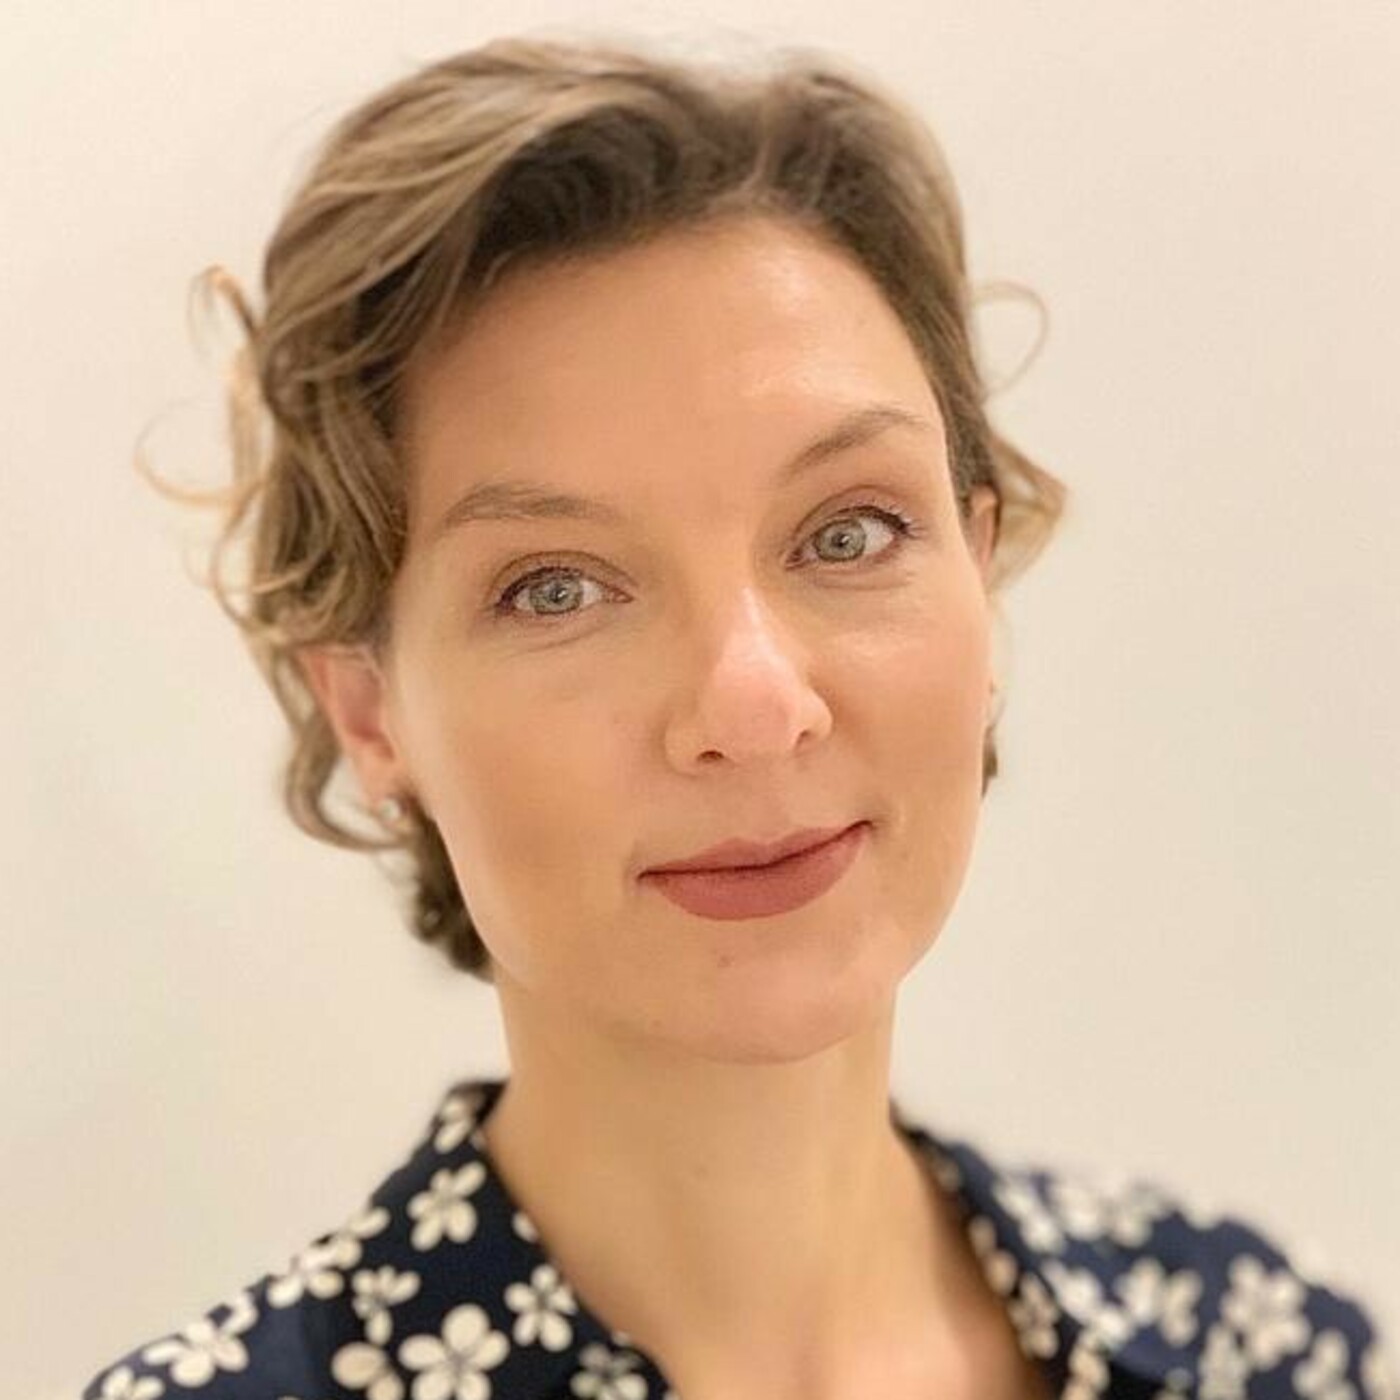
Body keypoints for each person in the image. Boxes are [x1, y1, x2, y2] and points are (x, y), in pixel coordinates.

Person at [81, 30, 1393, 1400]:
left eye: (848, 532)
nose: (755, 707)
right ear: (369, 713)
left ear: (980, 576)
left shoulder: (1260, 1349)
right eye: (556, 587)